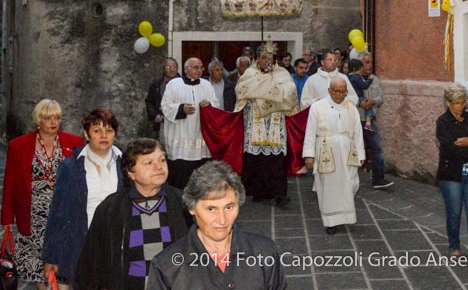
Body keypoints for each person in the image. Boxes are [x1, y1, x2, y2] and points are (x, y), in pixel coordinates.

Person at [148, 161, 287, 290]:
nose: (222, 220)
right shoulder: (166, 267)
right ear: (192, 208)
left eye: (229, 207)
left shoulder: (264, 252)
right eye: (211, 209)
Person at [74, 138, 190, 290]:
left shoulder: (184, 204)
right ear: (130, 172)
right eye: (149, 163)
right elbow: (91, 260)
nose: (159, 167)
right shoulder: (111, 208)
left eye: (162, 160)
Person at [1, 99, 83, 290]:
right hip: (32, 212)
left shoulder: (75, 143)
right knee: (37, 262)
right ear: (38, 120)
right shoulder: (18, 146)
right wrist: (6, 218)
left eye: (57, 117)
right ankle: (41, 287)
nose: (53, 122)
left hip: (63, 212)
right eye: (48, 118)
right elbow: (10, 184)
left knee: (62, 259)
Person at [42, 109, 123, 288]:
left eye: (109, 131)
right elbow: (58, 213)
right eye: (97, 131)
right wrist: (51, 256)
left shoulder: (124, 164)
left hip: (117, 247)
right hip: (82, 245)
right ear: (86, 134)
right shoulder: (70, 168)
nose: (104, 135)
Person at [233, 43, 298, 207]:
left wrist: (264, 89)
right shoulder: (250, 73)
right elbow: (241, 90)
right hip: (256, 121)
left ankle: (279, 194)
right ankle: (259, 191)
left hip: (276, 122)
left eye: (270, 57)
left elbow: (290, 93)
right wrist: (268, 88)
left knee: (276, 159)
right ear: (257, 59)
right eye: (263, 57)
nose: (267, 61)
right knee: (257, 158)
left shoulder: (282, 73)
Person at [435, 83, 468, 267]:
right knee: (454, 213)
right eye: (457, 102)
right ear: (448, 103)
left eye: (463, 101)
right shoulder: (442, 122)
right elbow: (450, 149)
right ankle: (454, 245)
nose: (461, 106)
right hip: (451, 175)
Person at [302, 79, 365, 235]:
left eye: (344, 91)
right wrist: (309, 155)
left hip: (348, 151)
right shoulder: (317, 107)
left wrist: (361, 154)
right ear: (329, 91)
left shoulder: (351, 108)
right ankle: (331, 222)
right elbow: (310, 132)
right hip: (326, 150)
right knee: (329, 188)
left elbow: (358, 133)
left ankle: (345, 216)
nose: (341, 94)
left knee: (350, 184)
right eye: (337, 91)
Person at [160, 57, 219, 189]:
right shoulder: (174, 84)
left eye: (201, 67)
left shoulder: (206, 85)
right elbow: (165, 106)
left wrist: (209, 105)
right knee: (181, 179)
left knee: (200, 179)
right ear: (187, 69)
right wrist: (181, 109)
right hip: (180, 136)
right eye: (196, 67)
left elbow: (216, 104)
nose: (199, 70)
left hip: (199, 136)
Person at [351, 54, 393, 189]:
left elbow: (380, 97)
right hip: (355, 120)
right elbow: (346, 97)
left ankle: (378, 179)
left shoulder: (374, 80)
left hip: (369, 121)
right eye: (366, 62)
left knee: (377, 149)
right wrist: (359, 103)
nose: (369, 66)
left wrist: (373, 101)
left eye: (371, 62)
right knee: (351, 149)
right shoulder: (350, 79)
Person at [145, 58, 179, 134]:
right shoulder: (156, 85)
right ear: (163, 69)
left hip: (180, 121)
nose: (171, 69)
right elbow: (149, 101)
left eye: (174, 67)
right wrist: (155, 115)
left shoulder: (184, 84)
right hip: (162, 122)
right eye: (168, 67)